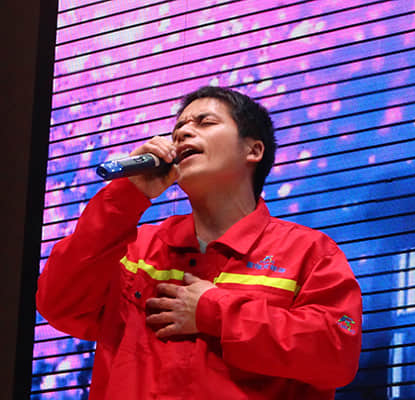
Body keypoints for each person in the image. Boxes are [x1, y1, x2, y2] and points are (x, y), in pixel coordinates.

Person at [37, 86, 363, 399]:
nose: (182, 133)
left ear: (253, 150)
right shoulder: (135, 249)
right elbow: (59, 305)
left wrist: (214, 311)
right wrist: (128, 194)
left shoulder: (309, 252)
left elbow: (336, 352)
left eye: (204, 122)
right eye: (178, 128)